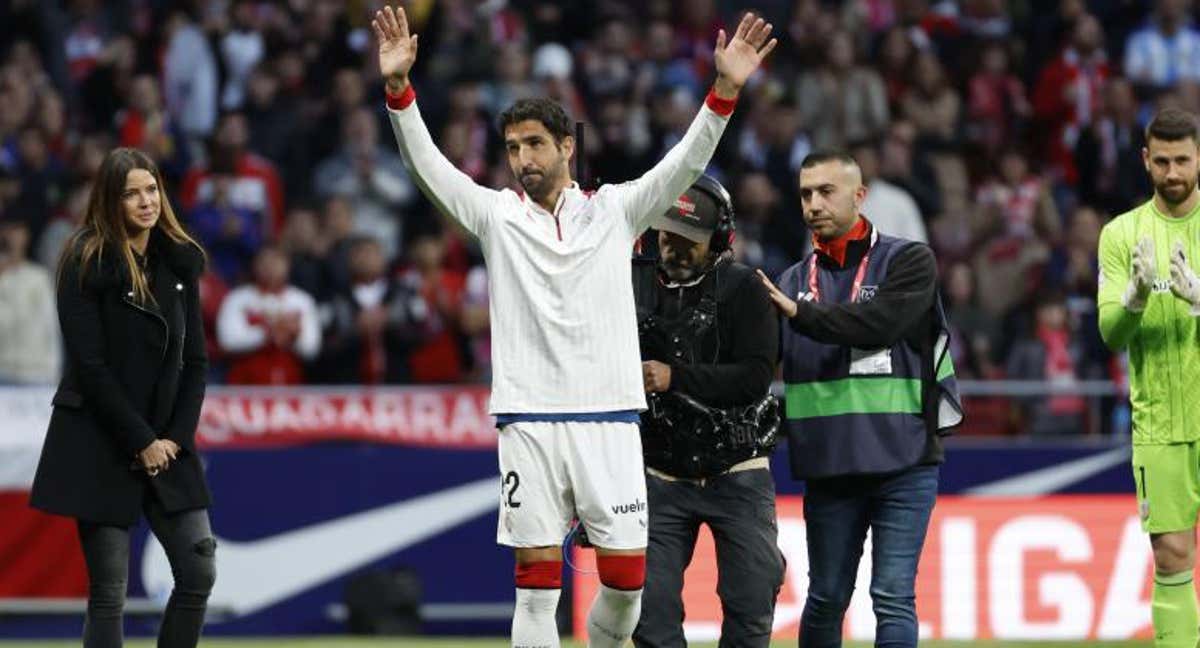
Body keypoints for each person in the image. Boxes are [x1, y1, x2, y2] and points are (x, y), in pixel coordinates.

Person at [370, 6, 776, 646]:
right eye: (511, 148)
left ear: (566, 147)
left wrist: (723, 92)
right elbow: (430, 169)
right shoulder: (496, 217)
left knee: (626, 588)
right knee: (535, 586)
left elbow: (684, 166)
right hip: (528, 421)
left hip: (611, 421)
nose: (522, 159)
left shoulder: (615, 211)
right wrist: (399, 92)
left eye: (534, 144)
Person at [757, 151, 962, 647]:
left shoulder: (909, 261)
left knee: (892, 596)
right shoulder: (789, 282)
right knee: (826, 597)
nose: (814, 204)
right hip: (829, 468)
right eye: (806, 194)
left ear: (859, 195)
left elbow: (880, 325)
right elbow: (757, 367)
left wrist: (800, 315)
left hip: (905, 462)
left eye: (827, 191)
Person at [28, 147, 215, 648]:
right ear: (110, 201)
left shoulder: (179, 261)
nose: (145, 201)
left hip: (168, 444)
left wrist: (173, 439)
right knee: (108, 592)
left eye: (151, 189)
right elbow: (90, 368)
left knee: (199, 573)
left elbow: (196, 363)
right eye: (131, 193)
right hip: (102, 439)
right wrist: (141, 441)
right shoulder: (85, 260)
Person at [630, 176, 784, 647]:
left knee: (751, 608)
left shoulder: (745, 289)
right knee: (649, 618)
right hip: (659, 474)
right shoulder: (627, 285)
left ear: (719, 241)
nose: (673, 247)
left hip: (737, 470)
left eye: (688, 240)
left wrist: (675, 377)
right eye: (665, 234)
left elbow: (757, 376)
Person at [1097, 107, 1200, 647]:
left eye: (1183, 159)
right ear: (1145, 160)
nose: (1173, 172)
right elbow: (1111, 333)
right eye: (1162, 161)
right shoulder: (1121, 235)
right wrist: (1133, 299)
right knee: (1173, 555)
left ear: (1199, 157)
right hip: (1159, 422)